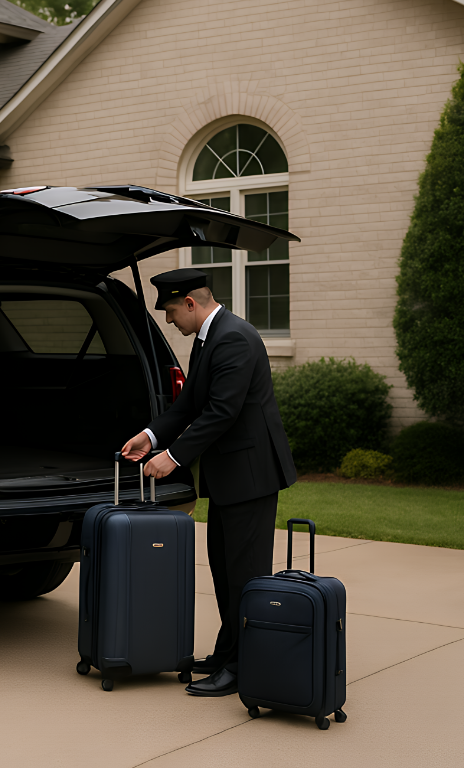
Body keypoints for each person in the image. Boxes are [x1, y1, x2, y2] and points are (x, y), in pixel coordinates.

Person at [121, 268, 296, 698]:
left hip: (250, 478)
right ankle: (226, 653)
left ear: (191, 303)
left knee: (245, 576)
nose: (168, 321)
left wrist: (173, 457)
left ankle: (241, 667)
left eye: (170, 311)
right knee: (224, 569)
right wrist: (150, 436)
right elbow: (189, 405)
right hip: (230, 479)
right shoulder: (208, 338)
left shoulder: (234, 338)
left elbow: (221, 411)